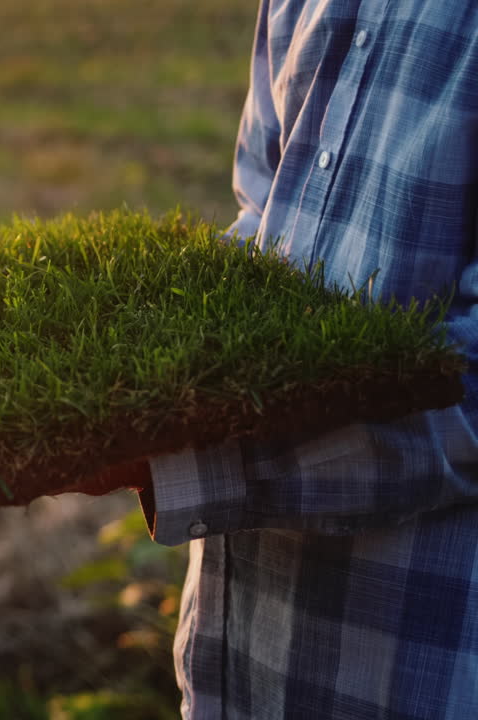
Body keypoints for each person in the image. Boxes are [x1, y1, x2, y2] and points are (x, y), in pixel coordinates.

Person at [98, 2, 478, 717]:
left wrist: (188, 461)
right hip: (238, 662)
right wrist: (133, 375)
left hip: (413, 673)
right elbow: (261, 219)